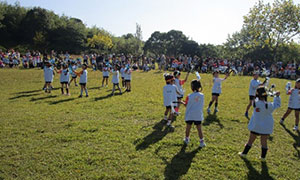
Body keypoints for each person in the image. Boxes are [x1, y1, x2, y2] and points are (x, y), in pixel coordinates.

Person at [239, 86, 281, 161]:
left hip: (256, 125)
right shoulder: (269, 105)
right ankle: (263, 157)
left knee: (250, 140)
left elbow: (256, 98)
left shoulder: (255, 103)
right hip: (266, 126)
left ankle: (244, 153)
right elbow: (277, 104)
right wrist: (277, 96)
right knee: (264, 142)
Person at [182, 79, 206, 147]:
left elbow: (186, 104)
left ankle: (187, 139)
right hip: (198, 114)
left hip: (190, 114)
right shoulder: (202, 95)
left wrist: (182, 102)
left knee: (188, 127)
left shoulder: (189, 96)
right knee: (199, 129)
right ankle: (202, 142)